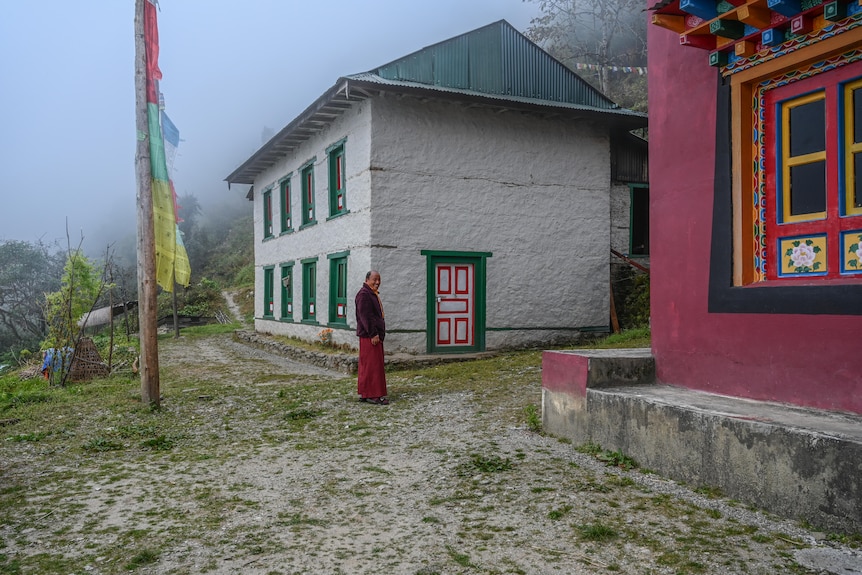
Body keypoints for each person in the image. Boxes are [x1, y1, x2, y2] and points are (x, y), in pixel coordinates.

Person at [355, 270, 388, 405]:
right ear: (367, 280)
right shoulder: (364, 295)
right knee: (373, 366)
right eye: (374, 279)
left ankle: (365, 392)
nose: (377, 282)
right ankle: (373, 395)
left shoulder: (370, 294)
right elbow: (365, 317)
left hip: (371, 335)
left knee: (368, 365)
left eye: (379, 280)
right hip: (370, 337)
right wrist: (373, 334)